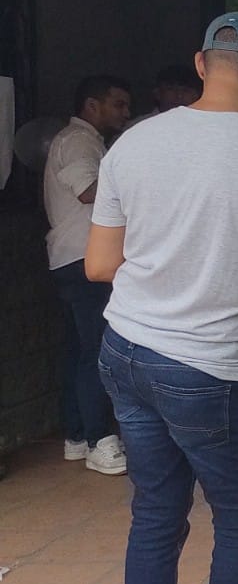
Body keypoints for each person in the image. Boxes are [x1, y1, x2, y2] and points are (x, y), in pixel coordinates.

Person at [85, 12, 238, 584]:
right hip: (209, 367)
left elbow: (99, 266)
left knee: (157, 517)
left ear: (199, 64)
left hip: (125, 350)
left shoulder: (133, 142)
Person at [44, 74, 131, 474]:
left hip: (70, 258)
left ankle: (78, 436)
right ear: (92, 106)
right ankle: (100, 441)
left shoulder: (78, 140)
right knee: (95, 350)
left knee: (80, 350)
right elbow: (87, 190)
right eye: (118, 104)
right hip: (85, 260)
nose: (124, 112)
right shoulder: (79, 141)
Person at [129, 65, 202, 126]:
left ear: (196, 95)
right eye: (171, 89)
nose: (179, 95)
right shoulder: (139, 125)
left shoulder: (204, 125)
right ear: (157, 93)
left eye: (186, 90)